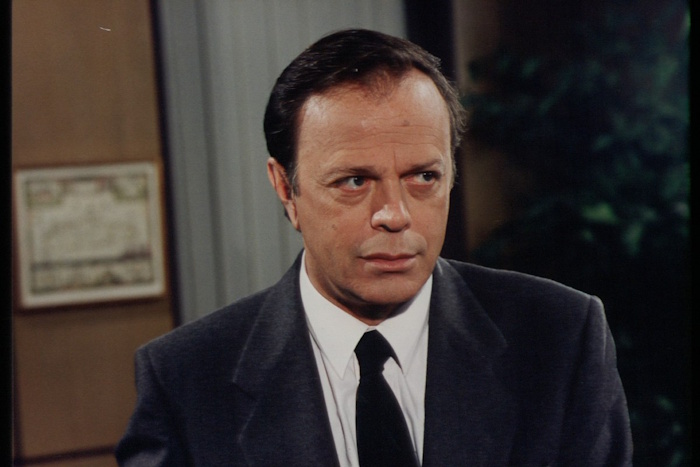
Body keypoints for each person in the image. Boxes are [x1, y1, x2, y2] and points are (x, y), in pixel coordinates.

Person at [116, 28, 632, 466]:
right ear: (285, 188)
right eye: (354, 181)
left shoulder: (560, 340)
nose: (394, 214)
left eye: (423, 176)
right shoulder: (185, 383)